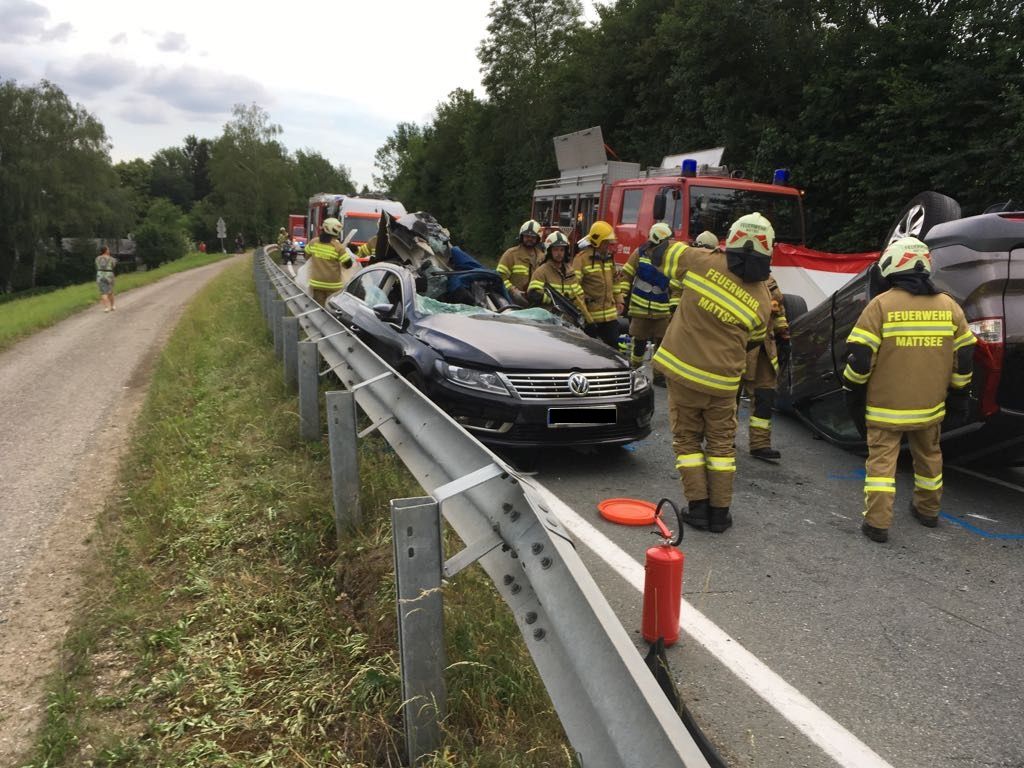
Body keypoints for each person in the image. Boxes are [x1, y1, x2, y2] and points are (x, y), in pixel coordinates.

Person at [841, 236, 975, 543]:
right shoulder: (949, 306)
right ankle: (928, 511)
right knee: (929, 458)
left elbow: (860, 359)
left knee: (881, 465)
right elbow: (965, 356)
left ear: (891, 266)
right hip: (930, 408)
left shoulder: (880, 305)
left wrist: (852, 390)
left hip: (885, 409)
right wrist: (959, 394)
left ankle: (877, 524)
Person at [653, 213, 775, 533]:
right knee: (721, 446)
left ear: (732, 239)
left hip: (684, 374)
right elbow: (754, 340)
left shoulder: (701, 261)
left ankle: (697, 508)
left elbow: (658, 253)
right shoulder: (763, 297)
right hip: (724, 383)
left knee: (687, 440)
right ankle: (720, 513)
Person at [619, 222, 676, 385]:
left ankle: (658, 375)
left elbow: (675, 284)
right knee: (639, 343)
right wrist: (622, 295)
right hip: (640, 309)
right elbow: (627, 274)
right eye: (667, 241)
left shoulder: (669, 258)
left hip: (662, 311)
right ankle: (634, 371)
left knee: (661, 346)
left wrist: (674, 306)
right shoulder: (639, 254)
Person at [742, 271, 789, 461]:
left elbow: (778, 309)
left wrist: (783, 333)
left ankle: (760, 444)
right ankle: (722, 440)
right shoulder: (730, 274)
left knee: (765, 395)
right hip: (737, 346)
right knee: (728, 397)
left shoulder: (768, 279)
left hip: (763, 349)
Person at [573, 221, 624, 348]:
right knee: (590, 350)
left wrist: (619, 300)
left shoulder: (609, 259)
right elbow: (574, 288)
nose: (608, 246)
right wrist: (584, 314)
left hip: (610, 317)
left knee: (613, 347)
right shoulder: (581, 259)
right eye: (606, 242)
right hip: (591, 317)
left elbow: (616, 281)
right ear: (597, 241)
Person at [527, 230, 593, 324]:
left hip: (568, 321)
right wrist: (553, 300)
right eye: (556, 250)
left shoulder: (570, 272)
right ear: (549, 251)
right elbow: (533, 294)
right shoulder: (541, 271)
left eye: (562, 250)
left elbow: (579, 296)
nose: (559, 253)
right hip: (547, 320)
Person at [305, 217, 354, 306]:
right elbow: (348, 265)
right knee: (331, 309)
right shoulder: (338, 247)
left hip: (317, 284)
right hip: (333, 286)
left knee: (319, 309)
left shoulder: (313, 242)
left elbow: (306, 256)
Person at [497, 220, 544, 305]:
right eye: (527, 236)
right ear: (521, 236)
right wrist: (512, 291)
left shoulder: (542, 257)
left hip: (535, 304)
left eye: (533, 237)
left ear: (538, 239)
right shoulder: (511, 254)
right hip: (512, 303)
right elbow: (500, 277)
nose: (530, 239)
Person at [95, 245, 118, 313]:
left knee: (103, 292)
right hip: (109, 275)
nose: (109, 250)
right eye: (108, 249)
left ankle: (106, 308)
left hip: (100, 275)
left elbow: (97, 266)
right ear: (106, 250)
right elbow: (113, 266)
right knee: (110, 291)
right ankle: (112, 306)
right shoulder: (111, 258)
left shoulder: (97, 258)